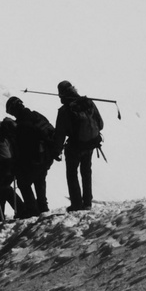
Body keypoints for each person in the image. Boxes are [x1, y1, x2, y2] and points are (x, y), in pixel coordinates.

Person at [5, 95, 58, 217]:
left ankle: (32, 210)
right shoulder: (36, 115)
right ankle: (43, 207)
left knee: (24, 183)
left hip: (33, 159)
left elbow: (24, 146)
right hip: (45, 156)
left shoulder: (22, 124)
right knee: (40, 180)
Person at [55, 80, 104, 211]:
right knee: (86, 171)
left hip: (75, 146)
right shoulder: (88, 103)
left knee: (72, 173)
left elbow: (60, 134)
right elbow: (100, 124)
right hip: (90, 145)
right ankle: (87, 202)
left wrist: (57, 150)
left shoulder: (65, 110)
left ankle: (76, 203)